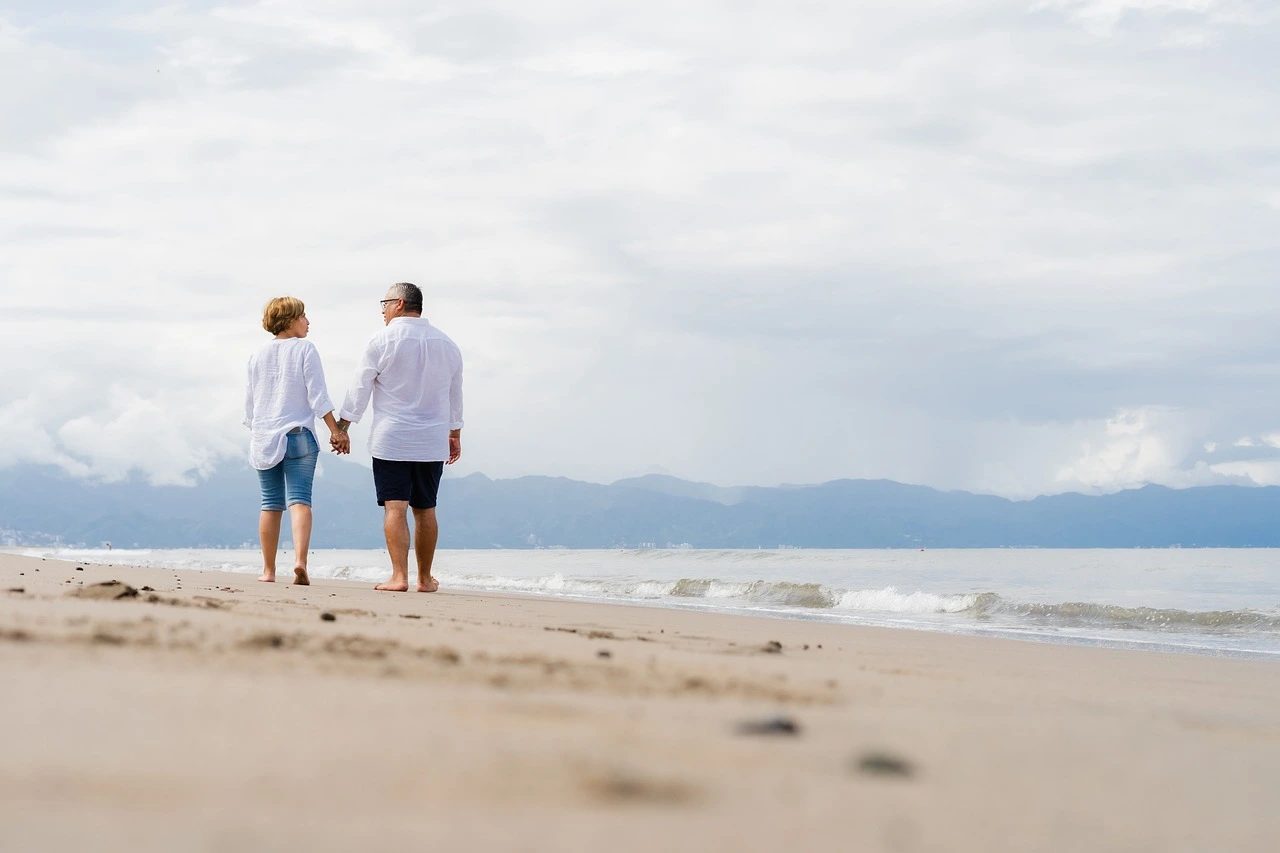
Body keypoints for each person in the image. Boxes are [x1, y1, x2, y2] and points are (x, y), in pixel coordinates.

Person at [336, 282, 463, 592]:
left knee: (395, 507)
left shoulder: (382, 340)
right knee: (426, 509)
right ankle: (423, 579)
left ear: (400, 304)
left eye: (385, 303)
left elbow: (360, 388)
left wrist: (342, 428)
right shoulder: (447, 344)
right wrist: (455, 433)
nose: (382, 311)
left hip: (391, 438)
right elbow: (454, 393)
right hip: (431, 439)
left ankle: (399, 577)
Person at [244, 297, 350, 585]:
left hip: (264, 437)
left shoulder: (257, 355)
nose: (308, 321)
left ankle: (268, 571)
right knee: (300, 501)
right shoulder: (305, 349)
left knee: (270, 504)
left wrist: (259, 431)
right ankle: (300, 562)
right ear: (290, 321)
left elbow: (251, 405)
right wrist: (336, 431)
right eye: (303, 316)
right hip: (299, 436)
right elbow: (318, 396)